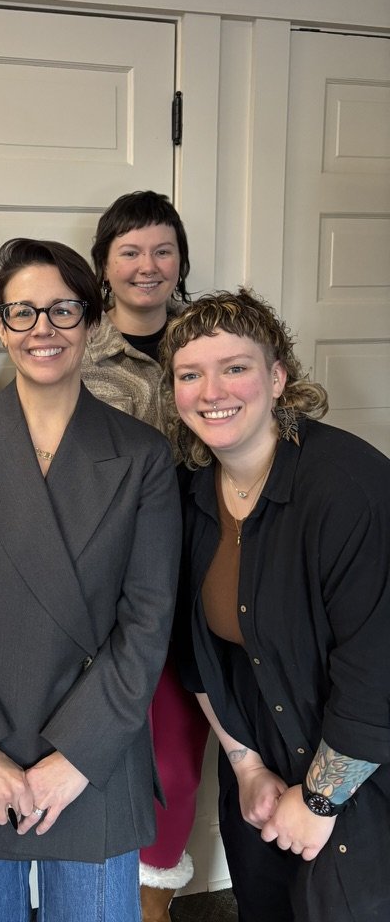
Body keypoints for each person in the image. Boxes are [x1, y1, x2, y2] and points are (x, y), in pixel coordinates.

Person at [0, 238, 182, 922]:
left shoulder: (143, 456)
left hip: (93, 753)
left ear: (91, 320)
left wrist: (76, 756)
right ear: (0, 325)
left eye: (62, 309)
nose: (42, 329)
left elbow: (147, 622)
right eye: (22, 312)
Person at [161, 287, 390, 922]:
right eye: (190, 374)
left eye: (235, 367)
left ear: (278, 376)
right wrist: (246, 765)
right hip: (259, 762)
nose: (213, 391)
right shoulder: (191, 495)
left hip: (364, 771)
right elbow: (195, 654)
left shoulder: (349, 488)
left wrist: (318, 803)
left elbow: (378, 669)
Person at [82, 191, 209, 922]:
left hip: (200, 586)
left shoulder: (209, 344)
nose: (147, 266)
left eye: (163, 250)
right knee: (94, 754)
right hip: (107, 593)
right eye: (130, 250)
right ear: (105, 264)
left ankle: (153, 906)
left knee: (177, 765)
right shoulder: (72, 348)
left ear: (181, 262)